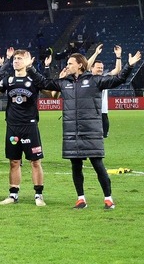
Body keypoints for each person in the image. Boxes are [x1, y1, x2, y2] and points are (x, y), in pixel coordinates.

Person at [36, 47, 140, 209]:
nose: (67, 65)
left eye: (70, 63)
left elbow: (119, 79)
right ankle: (81, 199)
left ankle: (108, 199)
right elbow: (43, 83)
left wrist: (130, 65)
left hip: (91, 132)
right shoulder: (65, 83)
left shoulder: (95, 80)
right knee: (76, 167)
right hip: (72, 133)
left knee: (98, 166)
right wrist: (30, 68)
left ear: (80, 65)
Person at [0, 50, 47, 206]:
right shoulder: (8, 80)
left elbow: (52, 93)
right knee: (14, 162)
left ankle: (38, 195)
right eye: (15, 58)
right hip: (12, 127)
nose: (16, 61)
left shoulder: (33, 79)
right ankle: (13, 195)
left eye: (20, 58)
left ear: (29, 61)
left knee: (35, 161)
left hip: (30, 125)